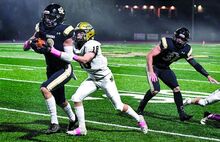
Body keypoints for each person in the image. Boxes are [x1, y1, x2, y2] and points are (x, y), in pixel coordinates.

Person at [66, 22, 148, 136]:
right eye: (77, 33)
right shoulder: (75, 45)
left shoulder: (92, 44)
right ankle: (82, 128)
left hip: (105, 79)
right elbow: (65, 51)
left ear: (88, 34)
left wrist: (69, 55)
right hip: (92, 78)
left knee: (119, 107)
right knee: (76, 98)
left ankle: (139, 119)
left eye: (80, 33)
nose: (77, 36)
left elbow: (85, 59)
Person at [136, 27, 219, 121]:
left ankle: (182, 114)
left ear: (186, 40)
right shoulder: (167, 42)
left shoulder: (186, 49)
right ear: (175, 36)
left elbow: (194, 64)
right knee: (155, 90)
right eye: (179, 37)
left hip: (165, 68)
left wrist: (207, 75)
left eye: (183, 39)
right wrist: (151, 71)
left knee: (176, 89)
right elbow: (149, 55)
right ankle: (141, 108)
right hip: (154, 66)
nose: (180, 40)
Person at [23, 3, 77, 134]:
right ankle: (74, 119)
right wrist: (29, 43)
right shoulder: (41, 26)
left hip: (64, 69)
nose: (47, 20)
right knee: (60, 100)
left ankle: (54, 123)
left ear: (58, 18)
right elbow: (29, 42)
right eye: (46, 16)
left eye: (51, 17)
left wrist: (51, 50)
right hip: (51, 68)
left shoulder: (65, 31)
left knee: (45, 88)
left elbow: (69, 58)